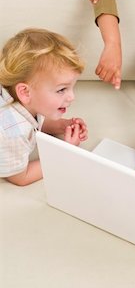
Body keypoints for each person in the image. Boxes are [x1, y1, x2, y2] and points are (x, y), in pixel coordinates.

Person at [0, 28, 88, 186]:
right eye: (62, 89)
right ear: (25, 92)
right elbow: (20, 177)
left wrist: (62, 126)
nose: (72, 97)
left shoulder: (24, 100)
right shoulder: (13, 132)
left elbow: (34, 122)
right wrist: (65, 151)